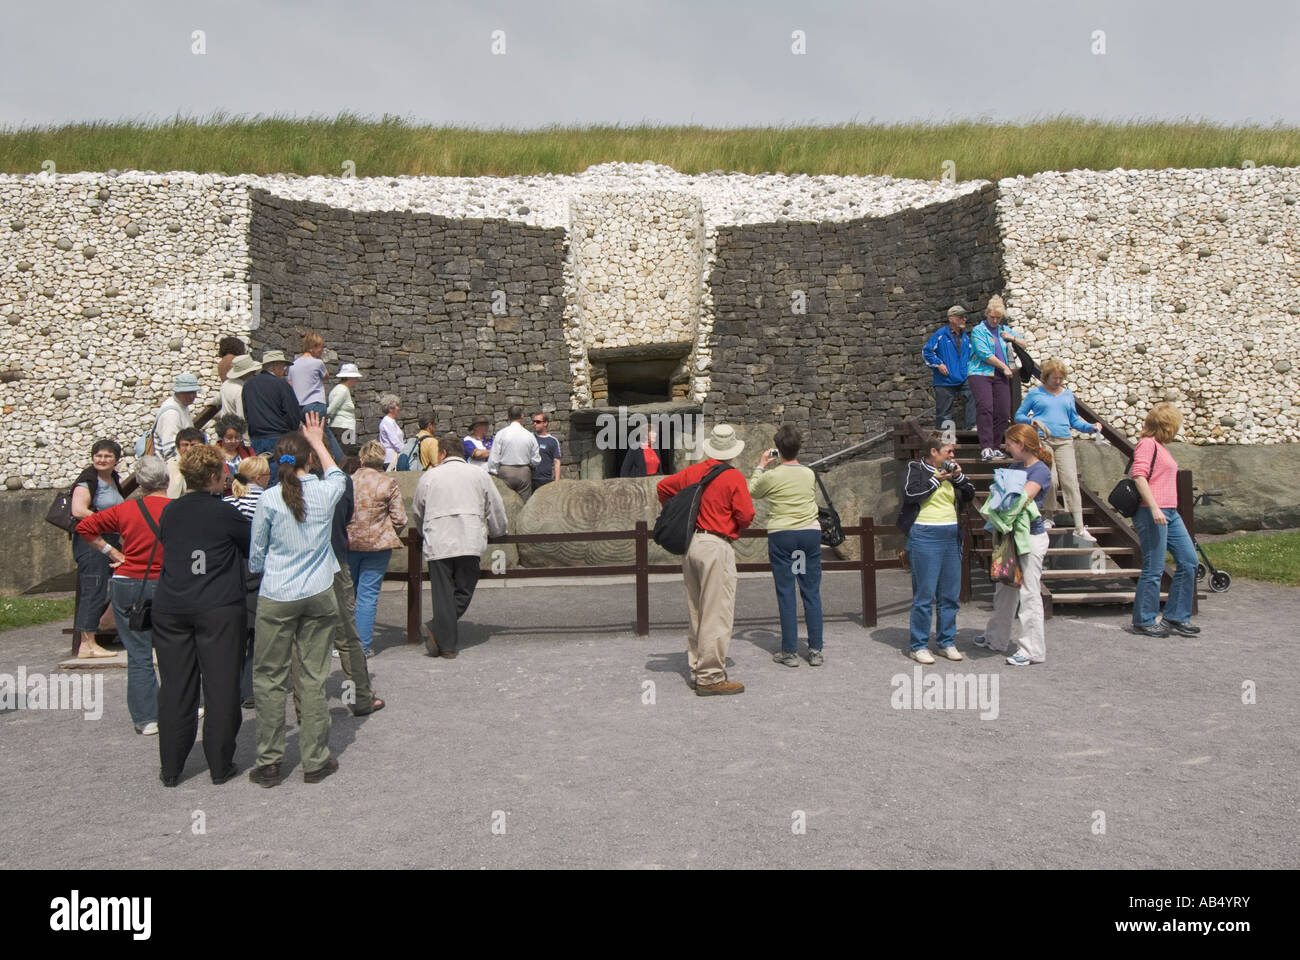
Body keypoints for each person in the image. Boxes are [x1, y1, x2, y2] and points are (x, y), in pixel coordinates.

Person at [247, 413, 347, 787]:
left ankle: (270, 760)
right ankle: (315, 759)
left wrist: (268, 566)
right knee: (313, 676)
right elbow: (338, 475)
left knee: (270, 678)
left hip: (277, 592)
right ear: (308, 459)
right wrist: (319, 441)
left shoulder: (269, 499)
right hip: (318, 590)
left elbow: (257, 553)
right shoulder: (324, 491)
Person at [150, 444, 251, 786]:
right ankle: (220, 764)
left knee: (176, 687)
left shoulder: (171, 512)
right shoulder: (226, 513)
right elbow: (250, 546)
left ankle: (171, 767)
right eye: (223, 471)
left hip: (171, 605)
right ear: (212, 476)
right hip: (217, 605)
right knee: (221, 684)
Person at [656, 424, 756, 696]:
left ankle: (697, 667)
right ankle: (711, 677)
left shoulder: (694, 472)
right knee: (717, 612)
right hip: (716, 545)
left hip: (692, 544)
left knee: (697, 610)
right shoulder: (733, 477)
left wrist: (682, 513)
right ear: (732, 449)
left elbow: (663, 487)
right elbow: (746, 515)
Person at [76, 456, 170, 735]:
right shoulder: (176, 509)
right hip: (166, 581)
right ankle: (179, 706)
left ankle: (146, 718)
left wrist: (112, 552)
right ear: (167, 479)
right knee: (172, 648)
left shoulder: (126, 509)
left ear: (139, 483)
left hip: (128, 581)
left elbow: (85, 527)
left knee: (138, 653)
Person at [411, 432, 507, 659]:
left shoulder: (429, 477)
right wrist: (498, 531)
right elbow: (495, 507)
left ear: (442, 453)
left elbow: (417, 510)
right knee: (464, 589)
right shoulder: (479, 475)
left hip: (439, 540)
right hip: (469, 538)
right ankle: (441, 636)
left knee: (442, 593)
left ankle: (445, 643)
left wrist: (425, 530)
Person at [974, 423, 1053, 666]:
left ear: (1022, 444)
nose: (1006, 447)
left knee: (1029, 594)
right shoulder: (1017, 465)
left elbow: (1017, 500)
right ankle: (996, 637)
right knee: (1005, 588)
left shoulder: (1040, 471)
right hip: (1010, 534)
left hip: (1029, 537)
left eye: (1009, 442)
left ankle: (1031, 650)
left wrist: (997, 502)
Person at [748, 424, 825, 667]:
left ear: (778, 450)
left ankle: (790, 651)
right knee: (810, 590)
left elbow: (752, 490)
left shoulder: (772, 475)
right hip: (809, 534)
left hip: (783, 535)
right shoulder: (809, 473)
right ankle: (815, 650)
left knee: (786, 591)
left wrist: (761, 465)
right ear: (798, 447)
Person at [897, 430, 975, 664]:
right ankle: (918, 645)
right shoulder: (916, 468)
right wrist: (937, 479)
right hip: (925, 534)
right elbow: (911, 495)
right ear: (933, 452)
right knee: (925, 593)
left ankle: (946, 642)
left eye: (953, 451)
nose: (952, 456)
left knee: (950, 594)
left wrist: (958, 478)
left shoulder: (952, 472)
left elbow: (969, 494)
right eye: (948, 451)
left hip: (951, 533)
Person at [1129, 403, 1199, 638]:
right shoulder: (1147, 444)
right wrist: (1155, 507)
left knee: (1189, 561)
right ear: (1168, 426)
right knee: (1154, 567)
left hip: (1170, 511)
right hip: (1152, 511)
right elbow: (1138, 475)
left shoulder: (1159, 446)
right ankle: (1144, 620)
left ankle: (1177, 616)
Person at [1014, 358, 1100, 541]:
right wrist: (1031, 421)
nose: (1058, 381)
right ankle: (1048, 514)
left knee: (1070, 480)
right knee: (1050, 480)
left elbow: (1074, 420)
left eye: (1061, 378)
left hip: (1064, 441)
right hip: (1043, 440)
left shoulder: (1067, 395)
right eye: (1055, 378)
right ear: (1046, 377)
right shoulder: (1035, 394)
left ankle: (1079, 525)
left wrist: (1090, 427)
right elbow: (1018, 416)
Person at [348, 441, 407, 657]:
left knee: (347, 595)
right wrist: (388, 531)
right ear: (382, 460)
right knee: (368, 595)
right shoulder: (387, 483)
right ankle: (362, 647)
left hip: (349, 543)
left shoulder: (348, 481)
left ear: (361, 460)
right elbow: (400, 518)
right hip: (378, 544)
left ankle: (342, 645)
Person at [69, 439, 125, 659]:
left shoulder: (112, 479)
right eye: (99, 455)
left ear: (116, 460)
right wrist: (106, 521)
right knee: (94, 587)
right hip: (91, 541)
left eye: (108, 456)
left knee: (128, 573)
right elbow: (78, 510)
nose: (102, 460)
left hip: (109, 539)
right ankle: (87, 644)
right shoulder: (87, 481)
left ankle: (107, 620)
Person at [224, 456, 270, 708]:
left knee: (235, 632)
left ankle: (231, 686)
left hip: (231, 569)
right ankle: (249, 688)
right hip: (257, 566)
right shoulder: (265, 499)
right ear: (258, 477)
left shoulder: (228, 501)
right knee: (256, 632)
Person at [967, 295, 1027, 462]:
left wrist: (1012, 338)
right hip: (980, 373)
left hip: (1000, 375)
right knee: (986, 407)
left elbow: (1024, 343)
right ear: (986, 314)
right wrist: (1004, 367)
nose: (994, 320)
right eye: (992, 317)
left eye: (998, 318)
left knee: (1003, 411)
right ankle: (986, 447)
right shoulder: (979, 330)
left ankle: (995, 446)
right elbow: (984, 353)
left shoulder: (1003, 330)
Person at [288, 331, 343, 460]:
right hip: (315, 404)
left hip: (299, 406)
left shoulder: (293, 365)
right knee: (325, 435)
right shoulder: (317, 363)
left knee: (307, 436)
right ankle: (341, 461)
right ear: (312, 347)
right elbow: (326, 375)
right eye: (320, 347)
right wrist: (319, 360)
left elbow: (290, 383)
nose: (322, 350)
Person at [923, 305, 976, 433]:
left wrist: (970, 370)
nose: (964, 319)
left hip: (963, 376)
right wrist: (939, 364)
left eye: (965, 317)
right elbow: (927, 352)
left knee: (974, 393)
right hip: (944, 379)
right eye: (961, 317)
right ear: (951, 318)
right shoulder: (941, 334)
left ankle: (972, 427)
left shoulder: (965, 337)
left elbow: (970, 355)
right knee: (944, 411)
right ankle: (944, 437)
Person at [242, 350, 303, 456]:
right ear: (275, 366)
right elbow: (292, 414)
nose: (284, 370)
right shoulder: (282, 385)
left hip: (256, 438)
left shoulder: (248, 385)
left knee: (260, 471)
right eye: (283, 366)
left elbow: (247, 413)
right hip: (279, 438)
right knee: (281, 471)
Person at [487, 405, 540, 501]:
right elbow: (536, 459)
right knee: (524, 505)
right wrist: (530, 467)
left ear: (508, 416)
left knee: (505, 503)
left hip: (505, 471)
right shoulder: (529, 435)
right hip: (524, 472)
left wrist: (494, 472)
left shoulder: (501, 434)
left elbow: (494, 457)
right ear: (522, 416)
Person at [152, 373, 199, 460]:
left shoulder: (182, 406)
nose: (192, 396)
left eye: (194, 392)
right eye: (188, 393)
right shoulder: (172, 413)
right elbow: (170, 450)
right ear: (178, 392)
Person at [213, 414, 254, 495]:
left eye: (237, 437)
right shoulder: (213, 455)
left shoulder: (248, 452)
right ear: (222, 436)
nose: (233, 441)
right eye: (229, 437)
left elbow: (256, 473)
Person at [327, 362, 362, 455]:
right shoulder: (342, 390)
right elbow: (331, 409)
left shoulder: (340, 389)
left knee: (347, 452)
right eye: (355, 377)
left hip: (344, 428)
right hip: (343, 428)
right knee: (346, 454)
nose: (357, 380)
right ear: (350, 377)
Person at [166, 427, 207, 498]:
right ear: (178, 447)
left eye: (193, 445)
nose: (189, 449)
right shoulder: (171, 466)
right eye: (185, 445)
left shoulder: (208, 465)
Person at [218, 353, 260, 420]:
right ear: (247, 373)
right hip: (236, 428)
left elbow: (217, 400)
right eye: (253, 372)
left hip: (225, 425)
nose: (254, 374)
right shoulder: (241, 390)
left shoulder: (226, 384)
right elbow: (241, 416)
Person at [531, 411, 562, 490]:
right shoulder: (530, 438)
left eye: (538, 422)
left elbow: (557, 462)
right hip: (530, 479)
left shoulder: (553, 441)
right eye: (534, 421)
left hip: (545, 480)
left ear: (545, 423)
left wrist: (557, 483)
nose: (535, 424)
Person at [378, 394, 404, 466]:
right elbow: (395, 442)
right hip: (391, 458)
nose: (399, 408)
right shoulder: (388, 422)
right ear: (390, 409)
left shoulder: (391, 421)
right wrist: (405, 452)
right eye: (397, 406)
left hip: (394, 457)